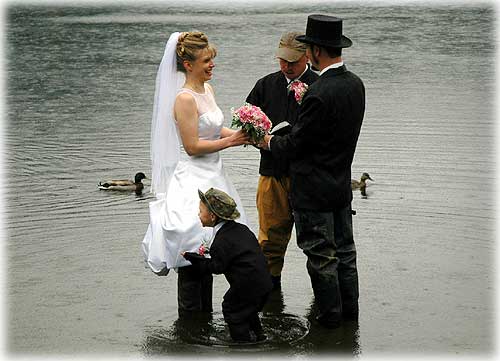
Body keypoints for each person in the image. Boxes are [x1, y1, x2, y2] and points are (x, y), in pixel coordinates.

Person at [260, 15, 365, 328]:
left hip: (312, 191)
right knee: (346, 253)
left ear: (316, 51)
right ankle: (351, 317)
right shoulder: (355, 84)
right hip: (340, 186)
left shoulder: (319, 93)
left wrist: (267, 141)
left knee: (321, 257)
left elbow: (296, 145)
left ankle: (329, 320)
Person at [142, 31, 250, 315]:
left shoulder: (208, 91)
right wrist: (230, 141)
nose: (212, 65)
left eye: (212, 59)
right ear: (188, 64)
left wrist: (245, 134)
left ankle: (204, 322)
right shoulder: (184, 99)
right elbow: (191, 146)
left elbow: (213, 130)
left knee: (212, 250)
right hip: (192, 181)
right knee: (191, 251)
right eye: (206, 61)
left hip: (215, 176)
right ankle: (190, 326)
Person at [245, 31, 319, 289]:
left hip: (308, 177)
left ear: (307, 56)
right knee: (268, 241)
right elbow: (246, 122)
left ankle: (322, 301)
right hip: (272, 173)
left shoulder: (320, 85)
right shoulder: (265, 85)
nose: (287, 66)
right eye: (282, 60)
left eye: (293, 61)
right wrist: (260, 139)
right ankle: (269, 295)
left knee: (316, 242)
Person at [182, 188, 273, 343]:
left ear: (212, 216)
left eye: (200, 211)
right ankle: (260, 336)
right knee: (247, 310)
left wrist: (193, 258)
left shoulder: (221, 241)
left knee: (232, 309)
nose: (198, 214)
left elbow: (216, 267)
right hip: (264, 282)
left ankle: (242, 345)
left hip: (248, 285)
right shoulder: (240, 229)